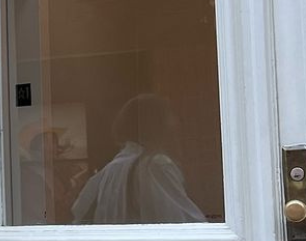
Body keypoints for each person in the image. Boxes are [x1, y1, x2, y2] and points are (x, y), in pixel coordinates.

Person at [72, 94, 207, 224]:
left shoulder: (110, 169)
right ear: (157, 125)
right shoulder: (154, 166)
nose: (176, 124)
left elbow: (79, 213)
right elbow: (181, 224)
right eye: (170, 117)